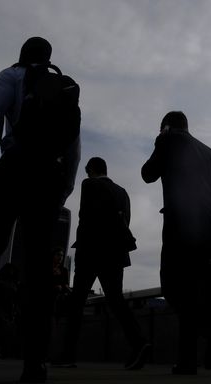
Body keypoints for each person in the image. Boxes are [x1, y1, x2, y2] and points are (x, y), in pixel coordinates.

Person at [0, 36, 81, 383]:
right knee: (39, 271)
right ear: (49, 58)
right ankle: (35, 362)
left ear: (21, 55)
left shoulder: (11, 76)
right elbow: (73, 145)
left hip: (13, 171)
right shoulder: (63, 87)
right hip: (48, 180)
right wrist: (63, 189)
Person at [141, 111, 211, 374]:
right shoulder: (209, 152)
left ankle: (204, 336)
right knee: (195, 290)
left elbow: (147, 174)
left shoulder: (168, 140)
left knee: (173, 286)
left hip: (181, 227)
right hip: (209, 229)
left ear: (166, 126)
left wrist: (161, 140)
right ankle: (196, 351)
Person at [60, 157, 150, 370]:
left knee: (77, 302)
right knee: (116, 300)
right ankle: (139, 342)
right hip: (115, 253)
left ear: (91, 170)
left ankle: (66, 355)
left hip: (91, 251)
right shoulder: (123, 192)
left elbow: (85, 217)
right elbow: (125, 221)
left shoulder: (89, 184)